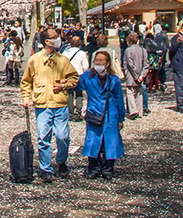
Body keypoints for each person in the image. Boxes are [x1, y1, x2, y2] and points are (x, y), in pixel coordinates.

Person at [20, 27, 79, 182]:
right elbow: (26, 81)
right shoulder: (35, 60)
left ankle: (61, 161)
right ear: (47, 41)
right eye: (54, 37)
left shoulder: (63, 60)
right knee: (43, 137)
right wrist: (25, 97)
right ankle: (45, 167)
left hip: (60, 102)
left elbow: (74, 78)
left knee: (62, 136)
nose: (58, 39)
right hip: (42, 103)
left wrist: (64, 85)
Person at [76, 50, 126, 179]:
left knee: (111, 141)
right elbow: (76, 85)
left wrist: (121, 118)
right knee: (93, 141)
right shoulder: (87, 77)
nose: (98, 63)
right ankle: (94, 167)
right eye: (96, 60)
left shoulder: (114, 79)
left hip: (111, 112)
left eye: (101, 60)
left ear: (107, 63)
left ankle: (108, 168)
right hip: (94, 112)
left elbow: (119, 99)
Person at [62, 33, 90, 121]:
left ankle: (70, 112)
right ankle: (78, 111)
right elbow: (86, 66)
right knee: (79, 93)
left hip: (68, 75)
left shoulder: (65, 52)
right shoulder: (81, 53)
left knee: (69, 93)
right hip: (79, 75)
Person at [122, 32, 146, 118]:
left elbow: (129, 64)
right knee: (139, 93)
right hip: (140, 74)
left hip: (131, 75)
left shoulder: (128, 50)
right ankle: (140, 112)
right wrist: (142, 75)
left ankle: (133, 111)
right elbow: (146, 64)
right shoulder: (143, 50)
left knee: (130, 93)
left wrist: (136, 76)